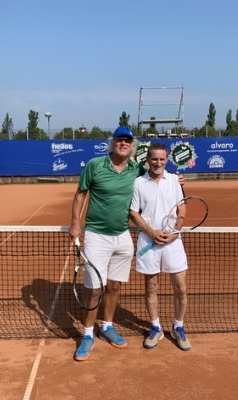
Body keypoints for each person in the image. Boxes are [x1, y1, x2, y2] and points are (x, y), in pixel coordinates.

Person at [69, 125, 143, 362]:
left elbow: (156, 176)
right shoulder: (95, 165)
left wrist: (178, 180)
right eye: (119, 139)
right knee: (94, 290)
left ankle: (107, 326)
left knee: (114, 286)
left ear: (132, 145)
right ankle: (87, 334)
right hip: (96, 236)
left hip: (123, 236)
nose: (123, 143)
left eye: (127, 140)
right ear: (112, 143)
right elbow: (81, 194)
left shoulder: (137, 169)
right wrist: (75, 223)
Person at [129, 142, 192, 351]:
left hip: (173, 242)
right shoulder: (138, 183)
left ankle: (178, 326)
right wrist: (151, 232)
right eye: (154, 159)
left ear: (166, 160)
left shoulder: (174, 180)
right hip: (148, 242)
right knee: (151, 288)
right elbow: (133, 212)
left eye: (162, 159)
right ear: (148, 160)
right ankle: (155, 327)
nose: (158, 162)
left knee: (181, 288)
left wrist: (174, 233)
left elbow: (182, 211)